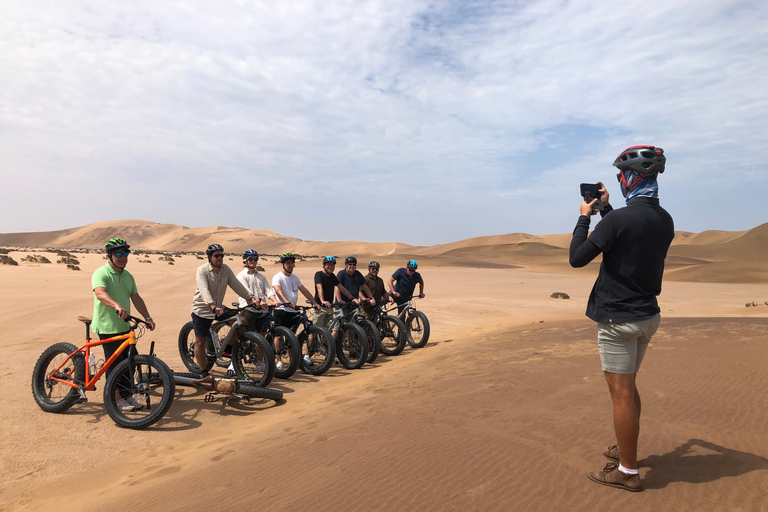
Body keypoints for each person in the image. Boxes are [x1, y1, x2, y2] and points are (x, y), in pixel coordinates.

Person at [569, 145, 674, 492]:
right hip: (647, 317)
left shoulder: (618, 220)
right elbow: (626, 237)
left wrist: (585, 215)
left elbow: (577, 258)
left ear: (631, 177)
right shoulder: (664, 219)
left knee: (621, 394)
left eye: (620, 176)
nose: (619, 181)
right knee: (628, 389)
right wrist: (607, 209)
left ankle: (627, 471)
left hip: (618, 320)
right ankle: (627, 449)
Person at [91, 237, 156, 412]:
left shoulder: (128, 275)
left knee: (130, 362)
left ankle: (127, 396)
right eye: (118, 253)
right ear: (110, 255)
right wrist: (117, 305)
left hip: (124, 327)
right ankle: (116, 400)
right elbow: (100, 293)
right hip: (107, 326)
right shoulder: (101, 273)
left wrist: (148, 317)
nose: (123, 257)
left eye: (125, 253)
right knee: (114, 366)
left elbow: (135, 297)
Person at [190, 244, 256, 377]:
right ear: (210, 257)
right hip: (202, 309)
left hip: (219, 308)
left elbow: (236, 285)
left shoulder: (225, 269)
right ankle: (203, 372)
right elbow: (204, 290)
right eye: (216, 256)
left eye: (221, 255)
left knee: (241, 322)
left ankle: (227, 349)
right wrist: (212, 305)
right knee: (200, 342)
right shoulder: (202, 270)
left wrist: (251, 297)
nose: (219, 258)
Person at [236, 250, 287, 369]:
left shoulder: (260, 276)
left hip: (260, 311)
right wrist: (256, 300)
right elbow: (245, 291)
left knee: (261, 336)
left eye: (255, 259)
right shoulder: (241, 276)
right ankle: (234, 363)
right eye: (251, 259)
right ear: (245, 261)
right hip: (248, 308)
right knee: (243, 337)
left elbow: (268, 290)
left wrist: (274, 300)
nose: (253, 261)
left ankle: (259, 362)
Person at [271, 253, 320, 366]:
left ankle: (293, 361)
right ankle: (278, 360)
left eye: (292, 263)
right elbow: (277, 290)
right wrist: (286, 301)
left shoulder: (295, 278)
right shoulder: (278, 277)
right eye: (288, 263)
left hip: (293, 311)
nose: (291, 265)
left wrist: (314, 302)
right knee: (278, 336)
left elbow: (304, 290)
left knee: (291, 337)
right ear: (283, 264)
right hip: (282, 310)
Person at [313, 256, 359, 338]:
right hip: (320, 308)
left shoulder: (332, 276)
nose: (330, 267)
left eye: (332, 265)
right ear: (324, 265)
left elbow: (342, 288)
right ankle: (308, 351)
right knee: (315, 332)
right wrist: (322, 300)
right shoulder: (319, 274)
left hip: (330, 308)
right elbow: (319, 287)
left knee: (328, 333)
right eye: (328, 265)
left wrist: (352, 298)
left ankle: (328, 350)